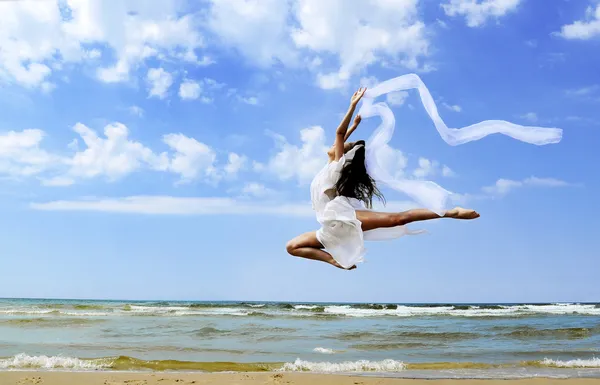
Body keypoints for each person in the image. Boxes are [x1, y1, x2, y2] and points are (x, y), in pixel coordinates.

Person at [286, 87, 480, 270]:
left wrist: (352, 105)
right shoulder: (329, 165)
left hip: (342, 215)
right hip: (330, 225)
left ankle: (451, 212)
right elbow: (340, 137)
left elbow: (339, 133)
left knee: (397, 218)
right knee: (292, 247)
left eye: (346, 144)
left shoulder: (338, 165)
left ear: (344, 154)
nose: (342, 143)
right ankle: (336, 261)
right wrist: (354, 127)